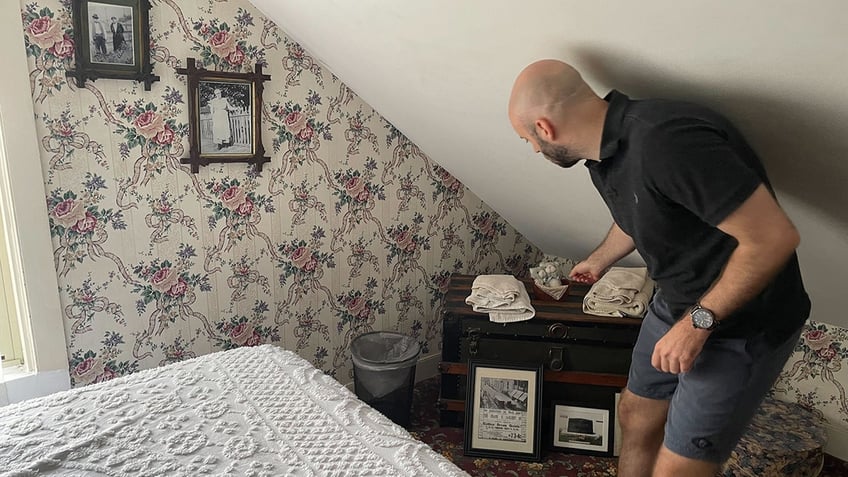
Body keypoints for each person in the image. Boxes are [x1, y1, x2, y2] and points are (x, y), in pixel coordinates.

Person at [508, 59, 810, 477]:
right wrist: (598, 260)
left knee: (678, 466)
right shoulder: (602, 152)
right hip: (678, 302)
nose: (535, 151)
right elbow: (642, 209)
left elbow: (774, 238)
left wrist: (697, 324)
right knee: (635, 413)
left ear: (545, 128)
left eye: (528, 140)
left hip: (744, 322)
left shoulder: (668, 143)